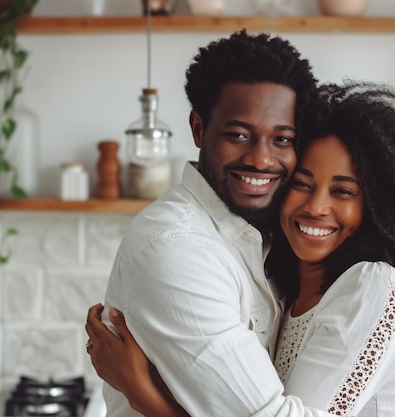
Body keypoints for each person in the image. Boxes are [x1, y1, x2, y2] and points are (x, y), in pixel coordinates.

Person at [85, 80, 395, 416]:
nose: (316, 207)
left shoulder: (372, 287)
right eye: (302, 183)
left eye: (343, 191)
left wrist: (142, 394)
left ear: (379, 210)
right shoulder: (283, 290)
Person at [91, 29, 338, 417]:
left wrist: (146, 397)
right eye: (239, 134)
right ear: (198, 128)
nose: (260, 159)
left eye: (281, 139)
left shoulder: (269, 237)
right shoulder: (177, 248)